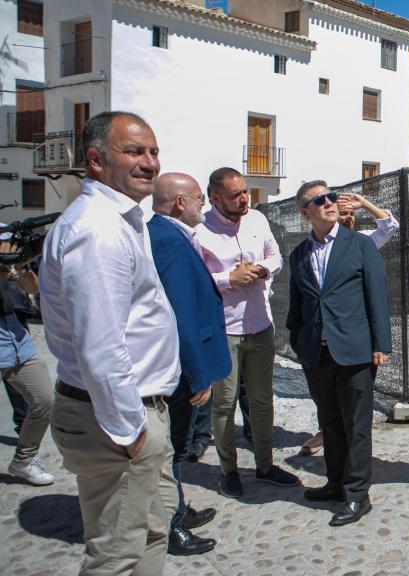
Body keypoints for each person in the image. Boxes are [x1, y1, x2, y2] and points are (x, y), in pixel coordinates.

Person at [39, 111, 180, 574]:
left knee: (151, 533)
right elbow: (100, 346)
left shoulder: (120, 219)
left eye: (153, 151)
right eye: (135, 151)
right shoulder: (98, 230)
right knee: (116, 557)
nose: (149, 162)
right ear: (96, 160)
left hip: (135, 413)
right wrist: (132, 433)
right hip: (119, 420)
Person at [286, 181, 391, 526]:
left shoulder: (359, 245)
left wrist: (381, 344)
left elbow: (377, 295)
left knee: (356, 425)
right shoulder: (299, 254)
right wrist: (299, 343)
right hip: (316, 354)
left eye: (331, 196)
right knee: (330, 423)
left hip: (355, 351)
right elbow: (298, 305)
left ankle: (358, 495)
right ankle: (335, 483)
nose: (330, 202)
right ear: (305, 212)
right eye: (320, 200)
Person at [197, 167, 300, 498]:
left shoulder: (257, 220)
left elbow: (276, 257)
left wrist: (262, 269)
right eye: (235, 195)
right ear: (215, 198)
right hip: (225, 328)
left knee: (261, 399)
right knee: (224, 404)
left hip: (260, 325)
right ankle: (227, 470)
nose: (243, 199)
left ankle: (265, 465)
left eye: (245, 192)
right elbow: (194, 281)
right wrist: (229, 279)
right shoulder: (199, 231)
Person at [149, 172, 232, 556]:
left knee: (177, 448)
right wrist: (197, 374)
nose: (204, 204)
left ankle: (176, 508)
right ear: (181, 203)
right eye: (200, 198)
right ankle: (169, 524)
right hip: (181, 368)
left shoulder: (169, 236)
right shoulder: (167, 241)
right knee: (173, 450)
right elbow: (179, 312)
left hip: (184, 364)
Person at [298, 191, 399, 457]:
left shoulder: (363, 243)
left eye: (349, 214)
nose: (347, 218)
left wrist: (363, 203)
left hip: (353, 341)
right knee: (330, 413)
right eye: (344, 215)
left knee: (355, 417)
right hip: (320, 346)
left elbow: (390, 227)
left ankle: (355, 487)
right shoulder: (304, 252)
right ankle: (334, 472)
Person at [0, 243, 54, 486]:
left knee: (44, 402)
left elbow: (33, 288)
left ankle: (24, 459)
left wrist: (20, 266)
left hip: (19, 346)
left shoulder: (8, 267)